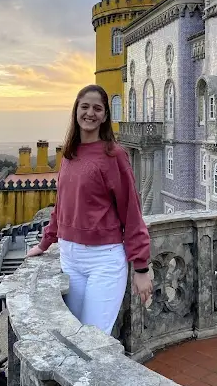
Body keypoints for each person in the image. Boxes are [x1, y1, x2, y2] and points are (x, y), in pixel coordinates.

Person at [27, 84, 152, 335]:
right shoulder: (70, 155)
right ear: (76, 111)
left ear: (105, 115)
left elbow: (131, 211)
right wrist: (45, 243)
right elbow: (62, 206)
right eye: (85, 107)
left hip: (103, 259)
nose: (90, 113)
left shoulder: (114, 155)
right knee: (73, 334)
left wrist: (141, 267)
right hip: (69, 257)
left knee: (93, 338)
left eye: (97, 108)